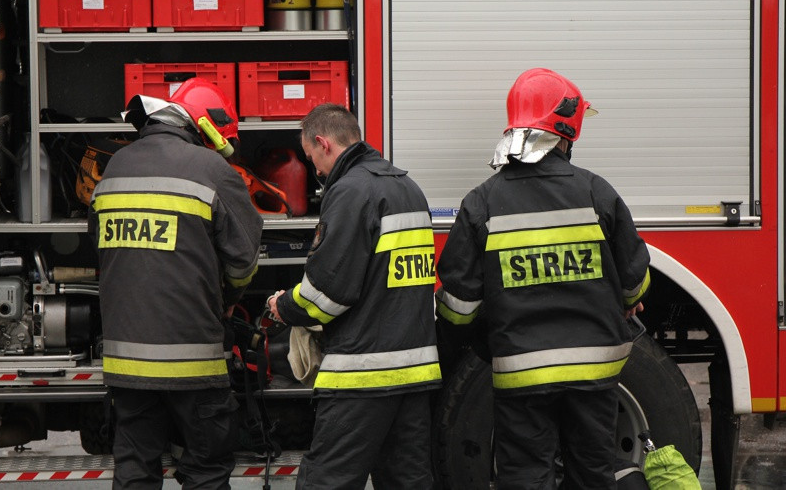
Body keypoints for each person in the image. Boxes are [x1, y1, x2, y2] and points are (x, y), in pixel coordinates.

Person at [434, 68, 651, 489]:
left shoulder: (482, 202)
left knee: (525, 479)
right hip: (594, 377)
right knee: (593, 475)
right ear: (567, 129)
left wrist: (488, 340)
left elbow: (458, 310)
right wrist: (627, 299)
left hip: (522, 379)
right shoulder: (596, 192)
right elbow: (635, 283)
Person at [87, 78, 263, 490]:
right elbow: (243, 262)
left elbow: (101, 248)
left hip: (126, 363)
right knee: (205, 471)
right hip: (194, 362)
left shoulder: (116, 166)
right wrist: (227, 299)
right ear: (207, 128)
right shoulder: (213, 170)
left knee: (134, 471)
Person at [268, 103, 442, 489]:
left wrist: (283, 306)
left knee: (326, 481)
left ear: (322, 142)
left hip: (363, 375)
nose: (316, 172)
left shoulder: (350, 191)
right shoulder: (407, 187)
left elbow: (328, 292)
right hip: (414, 376)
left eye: (313, 160)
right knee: (407, 481)